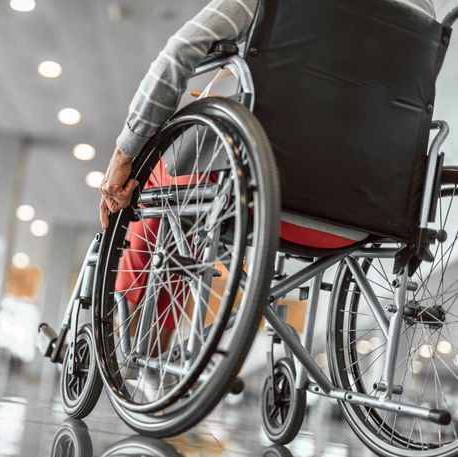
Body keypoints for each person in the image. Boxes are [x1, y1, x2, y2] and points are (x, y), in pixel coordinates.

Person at [99, 0, 436, 361]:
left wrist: (124, 153)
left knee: (163, 180)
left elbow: (179, 52)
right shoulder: (423, 12)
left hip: (264, 197)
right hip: (364, 220)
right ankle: (150, 349)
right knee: (196, 187)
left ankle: (135, 345)